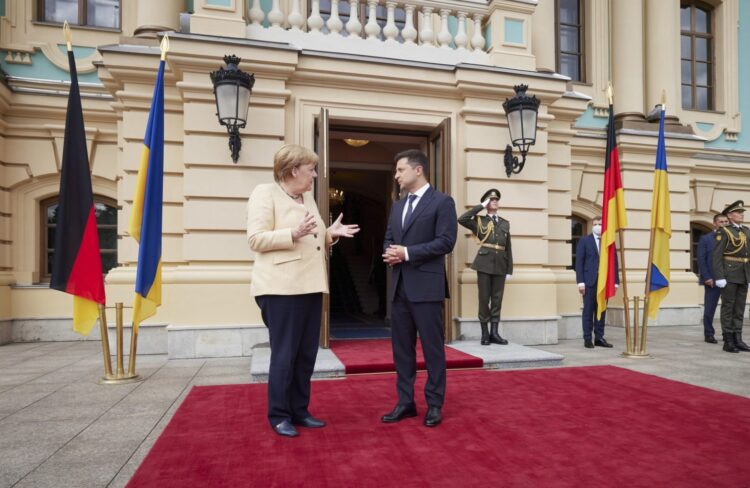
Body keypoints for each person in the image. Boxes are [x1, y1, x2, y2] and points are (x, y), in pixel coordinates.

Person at [247, 144, 360, 437]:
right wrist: (292, 233)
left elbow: (314, 235)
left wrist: (330, 234)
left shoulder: (307, 196)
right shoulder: (264, 193)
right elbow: (256, 239)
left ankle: (299, 410)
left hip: (311, 285)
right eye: (311, 170)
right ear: (294, 169)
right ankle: (279, 415)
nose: (314, 176)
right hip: (280, 287)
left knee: (306, 353)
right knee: (284, 354)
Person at [381, 149, 457, 428]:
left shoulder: (442, 202)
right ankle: (406, 402)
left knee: (433, 350)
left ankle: (434, 403)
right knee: (401, 350)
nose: (396, 175)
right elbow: (389, 238)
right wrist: (389, 253)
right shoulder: (398, 206)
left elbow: (446, 242)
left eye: (400, 170)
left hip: (427, 288)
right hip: (399, 288)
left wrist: (407, 253)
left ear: (417, 170)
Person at [458, 188, 512, 345]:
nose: (494, 201)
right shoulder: (479, 221)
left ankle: (495, 333)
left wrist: (509, 269)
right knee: (483, 299)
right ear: (487, 203)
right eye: (491, 200)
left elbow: (508, 247)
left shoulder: (504, 223)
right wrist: (480, 206)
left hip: (501, 264)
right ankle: (485, 334)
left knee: (497, 299)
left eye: (496, 200)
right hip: (484, 264)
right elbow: (462, 219)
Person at [712, 200, 750, 353]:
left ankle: (738, 339)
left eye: (742, 212)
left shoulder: (746, 231)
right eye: (738, 212)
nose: (741, 214)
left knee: (739, 308)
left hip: (744, 273)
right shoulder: (724, 231)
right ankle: (728, 340)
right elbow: (717, 256)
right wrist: (720, 276)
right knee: (728, 307)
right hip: (729, 273)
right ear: (729, 215)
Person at [575, 216, 618, 349]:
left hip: (604, 282)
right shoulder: (584, 241)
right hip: (589, 282)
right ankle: (588, 338)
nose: (598, 226)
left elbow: (614, 262)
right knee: (588, 311)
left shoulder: (609, 241)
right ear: (591, 226)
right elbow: (579, 263)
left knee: (601, 310)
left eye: (600, 224)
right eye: (595, 224)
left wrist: (615, 282)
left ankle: (599, 337)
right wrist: (580, 282)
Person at [697, 213, 729, 344]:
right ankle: (709, 334)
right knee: (710, 309)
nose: (724, 224)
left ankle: (727, 334)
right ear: (715, 223)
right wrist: (707, 277)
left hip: (729, 280)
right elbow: (701, 260)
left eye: (726, 222)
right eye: (721, 222)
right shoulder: (706, 239)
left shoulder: (732, 239)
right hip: (712, 280)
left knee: (728, 309)